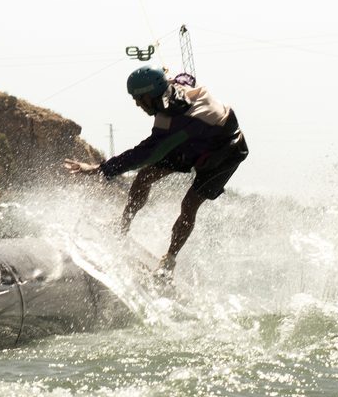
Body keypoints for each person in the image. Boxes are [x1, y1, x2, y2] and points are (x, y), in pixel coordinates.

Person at [64, 66, 248, 276]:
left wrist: (100, 168)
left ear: (152, 95)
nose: (137, 104)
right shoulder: (168, 92)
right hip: (193, 141)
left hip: (225, 150)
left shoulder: (176, 122)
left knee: (189, 204)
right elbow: (182, 80)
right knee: (144, 177)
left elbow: (144, 155)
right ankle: (122, 226)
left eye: (139, 98)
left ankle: (168, 262)